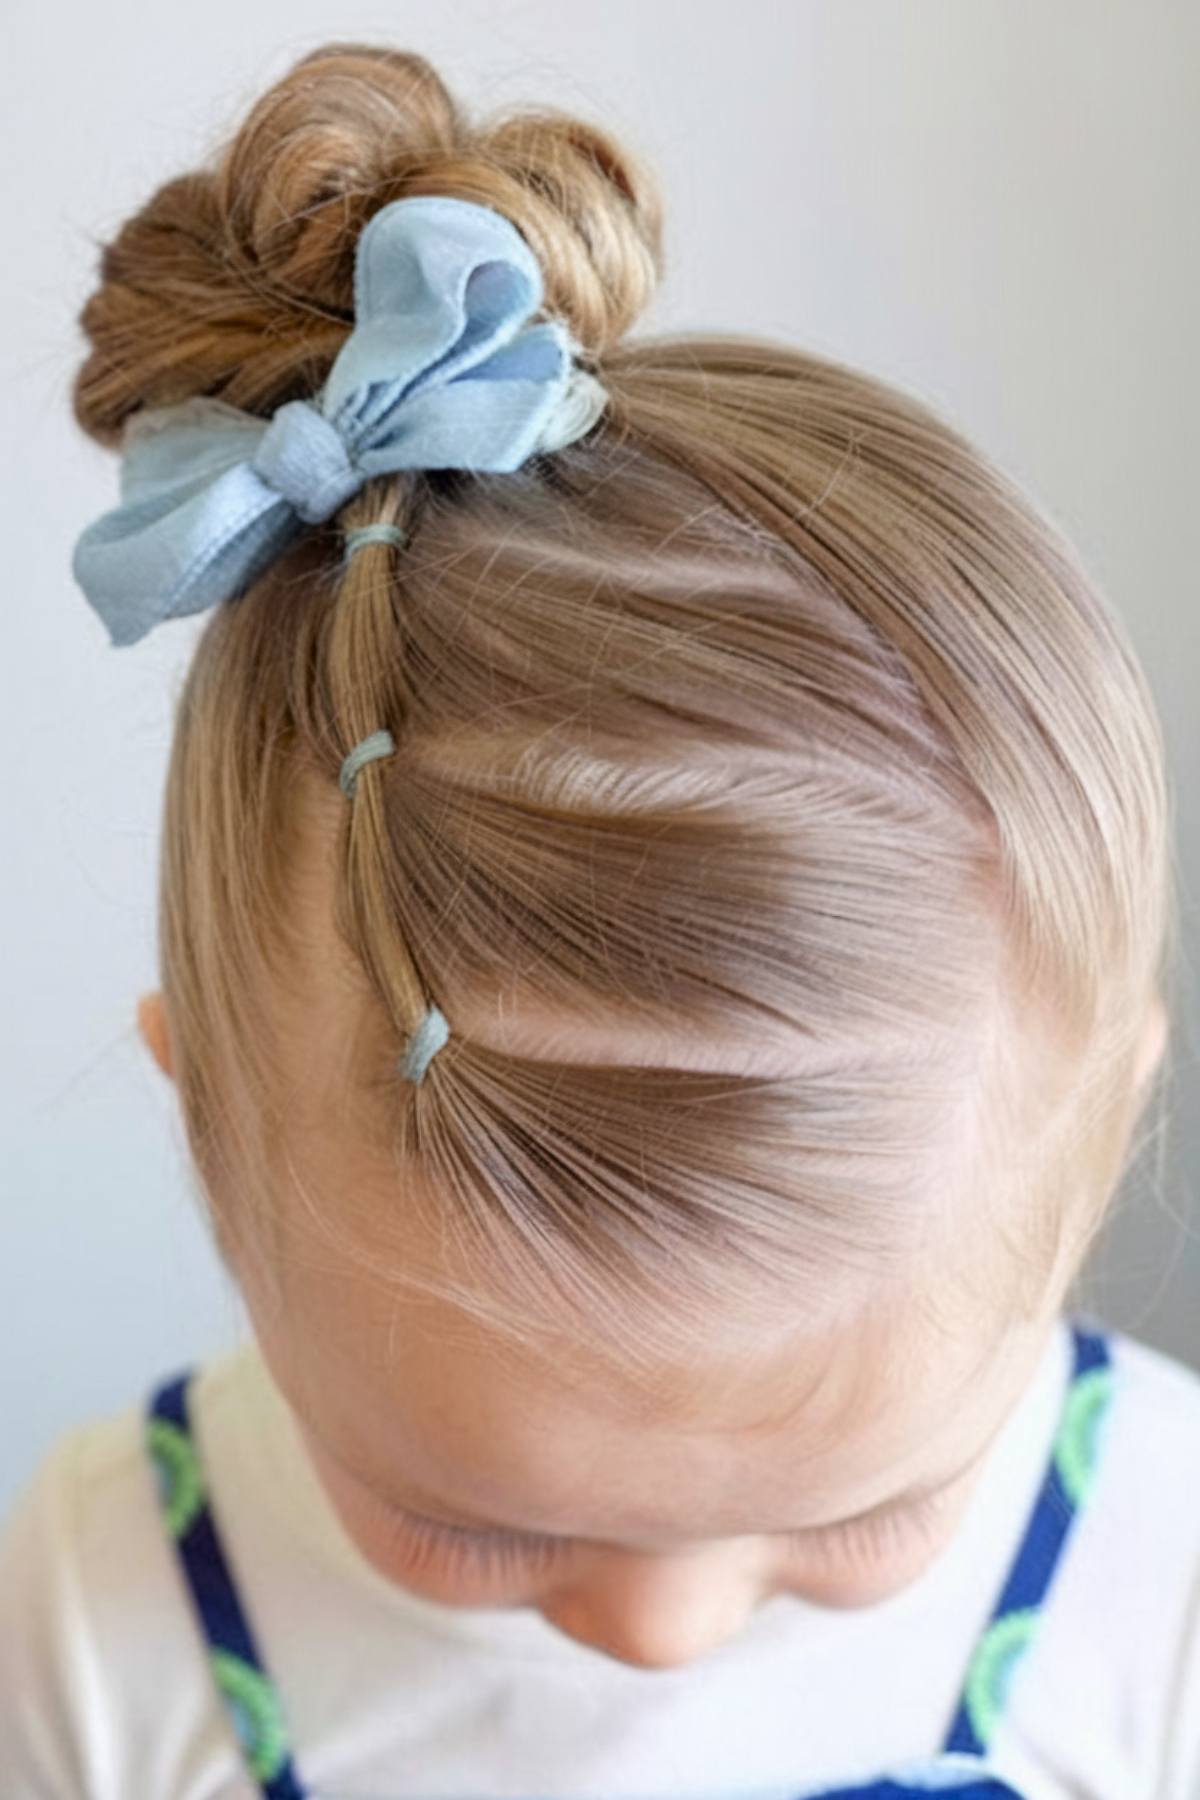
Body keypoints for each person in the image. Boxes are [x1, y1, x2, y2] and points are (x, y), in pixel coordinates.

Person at [1, 38, 1197, 1800]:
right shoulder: (105, 1623)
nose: (664, 1628)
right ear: (209, 1136)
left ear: (1100, 1145)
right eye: (470, 1526)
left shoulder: (1157, 1579)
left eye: (868, 1513)